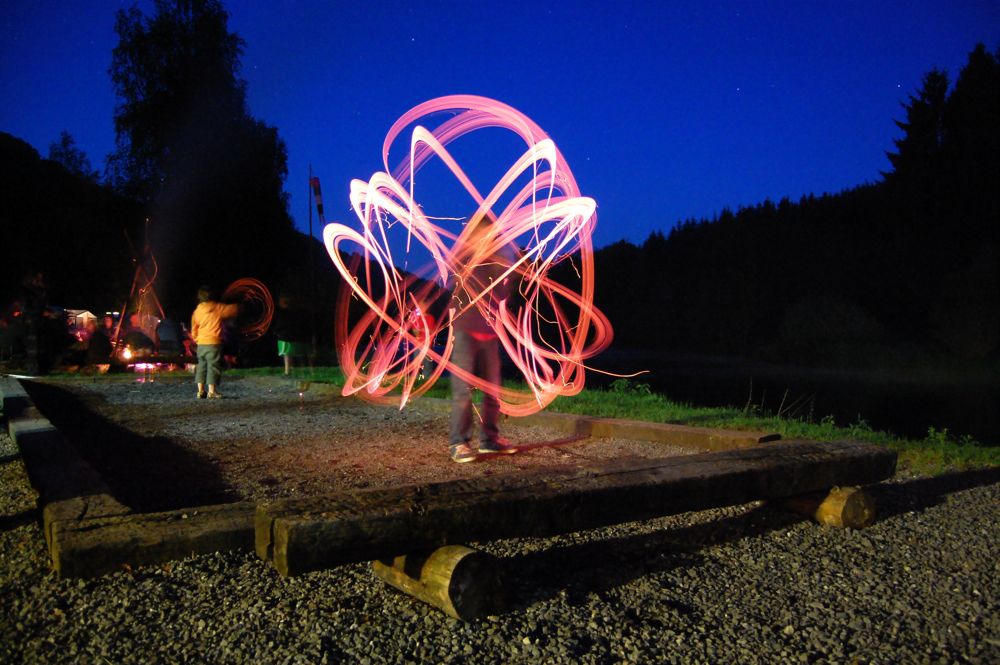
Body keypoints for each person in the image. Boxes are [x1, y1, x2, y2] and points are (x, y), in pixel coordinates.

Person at [432, 215, 520, 463]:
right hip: (465, 331)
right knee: (463, 391)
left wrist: (507, 274)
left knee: (493, 390)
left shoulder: (496, 262)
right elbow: (453, 285)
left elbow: (501, 296)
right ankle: (459, 443)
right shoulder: (463, 259)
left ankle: (489, 440)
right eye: (484, 233)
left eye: (491, 234)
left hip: (489, 333)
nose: (488, 238)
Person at [190, 286, 240, 399]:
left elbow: (194, 328)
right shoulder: (217, 308)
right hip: (213, 343)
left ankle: (200, 391)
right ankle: (211, 391)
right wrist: (240, 304)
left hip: (201, 344)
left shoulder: (197, 311)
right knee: (213, 366)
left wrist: (198, 339)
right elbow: (233, 310)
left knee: (201, 366)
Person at [272, 293, 312, 375]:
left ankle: (288, 370)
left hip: (286, 338)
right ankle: (302, 370)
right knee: (299, 355)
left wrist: (277, 332)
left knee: (287, 354)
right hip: (297, 338)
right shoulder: (300, 313)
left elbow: (279, 325)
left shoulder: (284, 313)